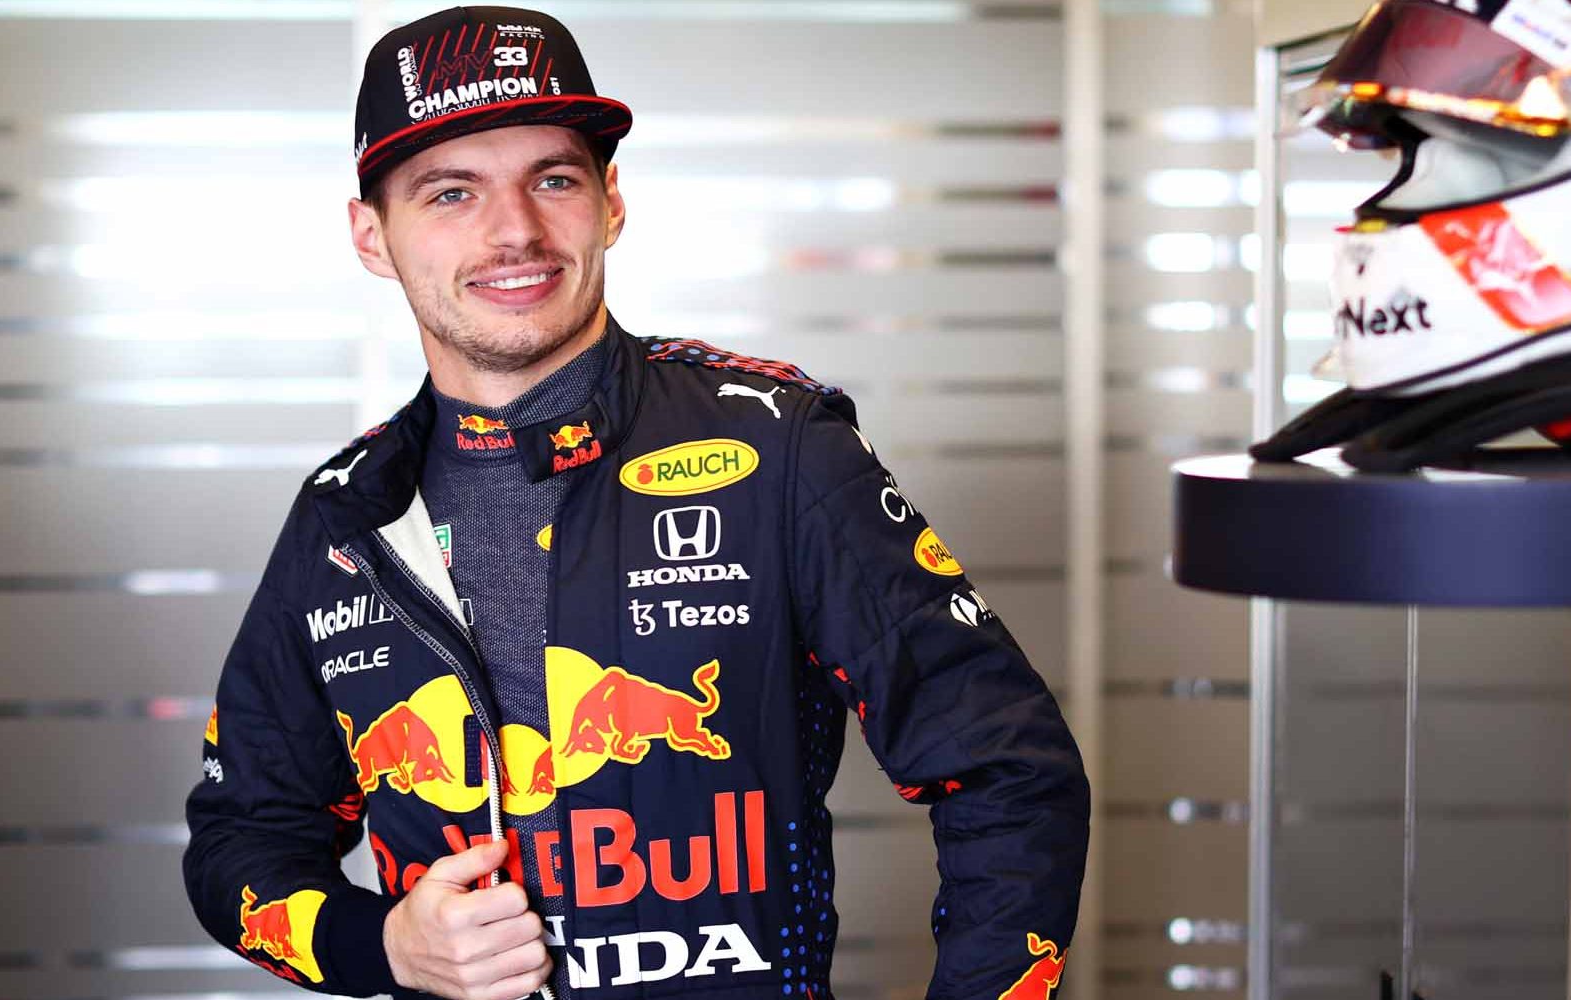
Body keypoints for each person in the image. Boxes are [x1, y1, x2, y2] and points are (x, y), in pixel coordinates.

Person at [181, 7, 1089, 1000]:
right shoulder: (344, 518)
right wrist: (387, 945)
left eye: (554, 179)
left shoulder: (774, 447)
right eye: (450, 193)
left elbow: (1010, 768)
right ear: (371, 236)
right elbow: (244, 840)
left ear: (611, 201)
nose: (516, 231)